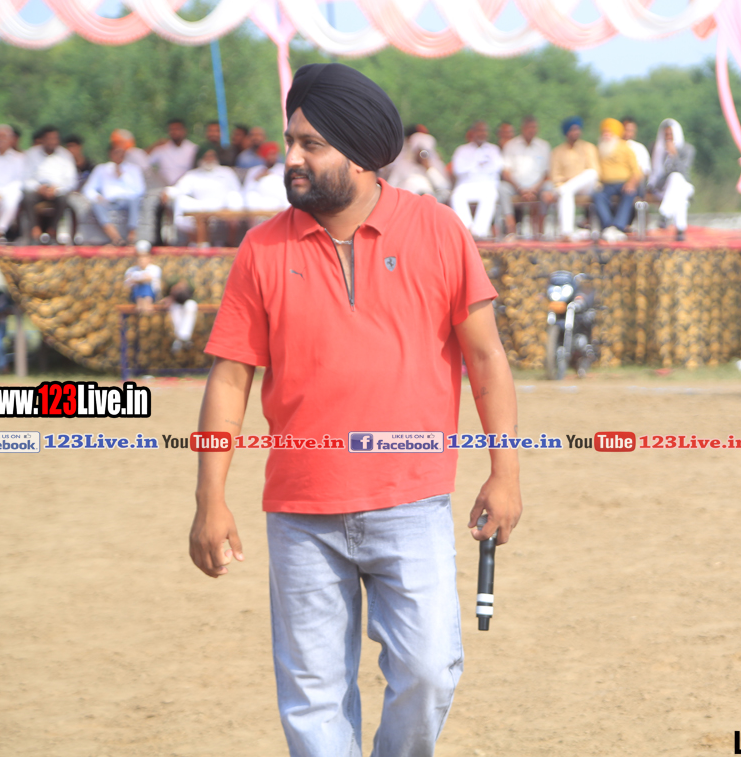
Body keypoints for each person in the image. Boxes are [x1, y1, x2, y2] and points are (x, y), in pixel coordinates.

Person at [191, 62, 521, 757]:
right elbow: (230, 378)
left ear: (364, 155)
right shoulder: (262, 248)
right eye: (291, 141)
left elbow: (487, 357)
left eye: (311, 144)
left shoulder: (438, 231)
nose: (291, 158)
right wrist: (209, 500)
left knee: (429, 672)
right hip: (300, 511)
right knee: (312, 697)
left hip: (412, 501)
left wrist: (506, 473)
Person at [164, 147, 244, 246]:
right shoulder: (192, 175)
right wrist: (167, 193)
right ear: (200, 158)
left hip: (223, 207)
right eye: (206, 156)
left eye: (212, 156)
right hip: (201, 206)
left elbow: (237, 191)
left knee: (235, 198)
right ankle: (199, 244)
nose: (209, 159)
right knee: (182, 201)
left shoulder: (226, 172)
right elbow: (178, 189)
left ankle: (231, 244)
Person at [21, 125, 79, 243]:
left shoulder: (65, 155)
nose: (52, 141)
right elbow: (25, 177)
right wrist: (38, 188)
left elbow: (71, 181)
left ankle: (53, 230)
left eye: (55, 138)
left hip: (57, 190)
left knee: (64, 199)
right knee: (27, 197)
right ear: (42, 140)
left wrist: (56, 189)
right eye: (49, 138)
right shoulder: (31, 154)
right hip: (38, 189)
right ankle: (35, 229)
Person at [500, 115, 552, 238]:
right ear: (522, 128)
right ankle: (511, 228)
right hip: (516, 186)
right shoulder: (511, 145)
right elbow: (506, 173)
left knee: (548, 188)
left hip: (537, 186)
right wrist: (520, 189)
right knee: (502, 188)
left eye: (534, 127)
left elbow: (546, 173)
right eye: (529, 127)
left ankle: (540, 230)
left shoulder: (544, 146)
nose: (531, 130)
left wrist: (534, 189)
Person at [450, 120, 503, 238]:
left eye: (484, 131)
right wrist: (477, 164)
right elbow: (457, 169)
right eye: (479, 131)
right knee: (456, 196)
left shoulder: (493, 149)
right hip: (466, 184)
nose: (482, 133)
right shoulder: (462, 150)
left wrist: (473, 167)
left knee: (490, 195)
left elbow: (498, 167)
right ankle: (467, 230)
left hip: (487, 185)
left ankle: (479, 233)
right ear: (472, 133)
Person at [84, 144, 146, 246]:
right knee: (96, 205)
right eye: (116, 153)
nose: (119, 156)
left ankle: (132, 235)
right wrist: (97, 196)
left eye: (122, 153)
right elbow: (88, 189)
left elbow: (140, 190)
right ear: (110, 154)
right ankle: (116, 238)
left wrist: (123, 177)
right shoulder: (101, 169)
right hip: (109, 202)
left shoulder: (133, 169)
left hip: (128, 200)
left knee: (135, 201)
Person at [549, 117, 599, 240]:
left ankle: (565, 189)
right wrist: (568, 180)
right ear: (566, 132)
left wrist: (574, 180)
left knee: (591, 173)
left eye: (577, 129)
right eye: (572, 130)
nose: (576, 132)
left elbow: (595, 171)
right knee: (566, 193)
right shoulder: (557, 151)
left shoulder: (588, 147)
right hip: (567, 187)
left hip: (586, 186)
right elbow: (555, 176)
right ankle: (567, 233)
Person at [593, 118, 643, 241]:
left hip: (624, 184)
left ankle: (619, 226)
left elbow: (636, 171)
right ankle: (608, 226)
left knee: (629, 193)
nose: (606, 135)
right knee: (597, 195)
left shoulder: (625, 148)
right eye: (604, 132)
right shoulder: (599, 149)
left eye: (609, 132)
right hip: (605, 185)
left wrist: (631, 183)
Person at [648, 118, 696, 241]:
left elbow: (684, 172)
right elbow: (654, 174)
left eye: (671, 134)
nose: (668, 138)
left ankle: (665, 213)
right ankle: (680, 230)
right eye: (666, 135)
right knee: (680, 194)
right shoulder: (656, 149)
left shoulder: (687, 149)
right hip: (663, 188)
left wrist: (674, 155)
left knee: (676, 178)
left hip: (684, 183)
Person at [387, 131, 449, 200]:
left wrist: (429, 169)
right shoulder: (403, 164)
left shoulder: (436, 165)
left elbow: (444, 188)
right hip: (405, 200)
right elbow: (391, 185)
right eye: (420, 151)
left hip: (427, 202)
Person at [147, 119, 198, 188]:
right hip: (164, 187)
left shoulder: (193, 149)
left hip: (186, 187)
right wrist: (155, 145)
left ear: (184, 131)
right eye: (171, 130)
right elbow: (145, 162)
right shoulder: (161, 149)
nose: (174, 132)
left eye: (177, 129)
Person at [242, 142, 289, 211]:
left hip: (280, 204)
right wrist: (257, 178)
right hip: (259, 206)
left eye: (274, 154)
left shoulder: (284, 169)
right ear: (263, 156)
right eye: (270, 154)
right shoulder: (254, 171)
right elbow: (246, 191)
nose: (273, 157)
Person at [161, 276, 199, 353]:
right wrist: (171, 297)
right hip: (175, 303)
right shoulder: (172, 283)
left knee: (190, 305)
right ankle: (184, 338)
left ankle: (180, 339)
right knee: (174, 309)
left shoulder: (191, 285)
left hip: (188, 302)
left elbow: (193, 295)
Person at [124, 240, 162, 313]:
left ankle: (144, 306)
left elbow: (149, 279)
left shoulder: (155, 269)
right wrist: (141, 279)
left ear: (149, 257)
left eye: (144, 256)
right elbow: (127, 284)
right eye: (139, 256)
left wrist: (136, 279)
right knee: (141, 286)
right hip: (134, 296)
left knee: (145, 286)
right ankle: (143, 306)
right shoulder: (131, 270)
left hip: (153, 295)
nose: (141, 259)